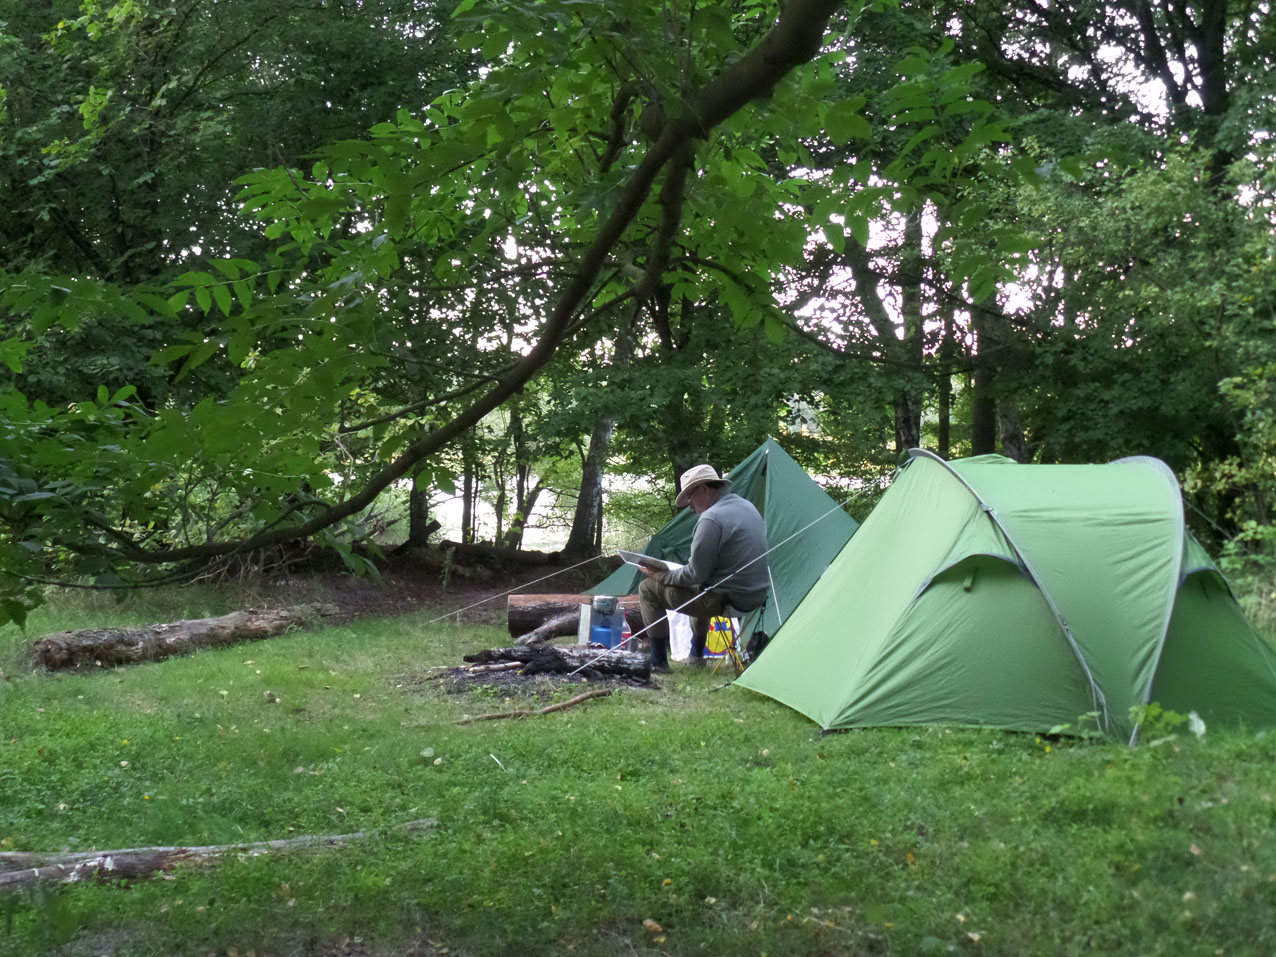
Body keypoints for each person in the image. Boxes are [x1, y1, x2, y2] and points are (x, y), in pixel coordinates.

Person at [638, 463, 769, 672]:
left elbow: (694, 574)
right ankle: (695, 655)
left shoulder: (711, 518)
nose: (690, 506)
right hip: (757, 596)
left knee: (647, 588)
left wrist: (660, 576)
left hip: (728, 599)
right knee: (703, 586)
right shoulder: (747, 506)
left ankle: (659, 662)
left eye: (690, 497)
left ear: (704, 489)